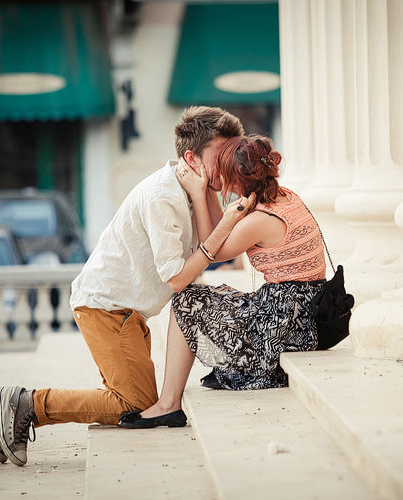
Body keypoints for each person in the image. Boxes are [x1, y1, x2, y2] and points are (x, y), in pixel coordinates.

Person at [0, 106, 254, 466]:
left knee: (145, 400)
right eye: (222, 156)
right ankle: (25, 404)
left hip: (128, 312)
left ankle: (24, 404)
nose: (229, 163)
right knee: (134, 404)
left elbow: (214, 240)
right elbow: (177, 277)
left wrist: (209, 194)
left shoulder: (191, 188)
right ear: (192, 158)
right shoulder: (164, 196)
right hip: (105, 308)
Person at [118, 134, 326, 428]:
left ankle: (168, 404)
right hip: (300, 310)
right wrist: (210, 193)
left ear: (234, 179)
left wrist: (200, 191)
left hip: (286, 325)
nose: (218, 179)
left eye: (223, 175)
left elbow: (211, 247)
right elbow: (223, 227)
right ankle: (182, 394)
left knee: (187, 300)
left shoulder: (259, 221)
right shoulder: (284, 197)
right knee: (218, 296)